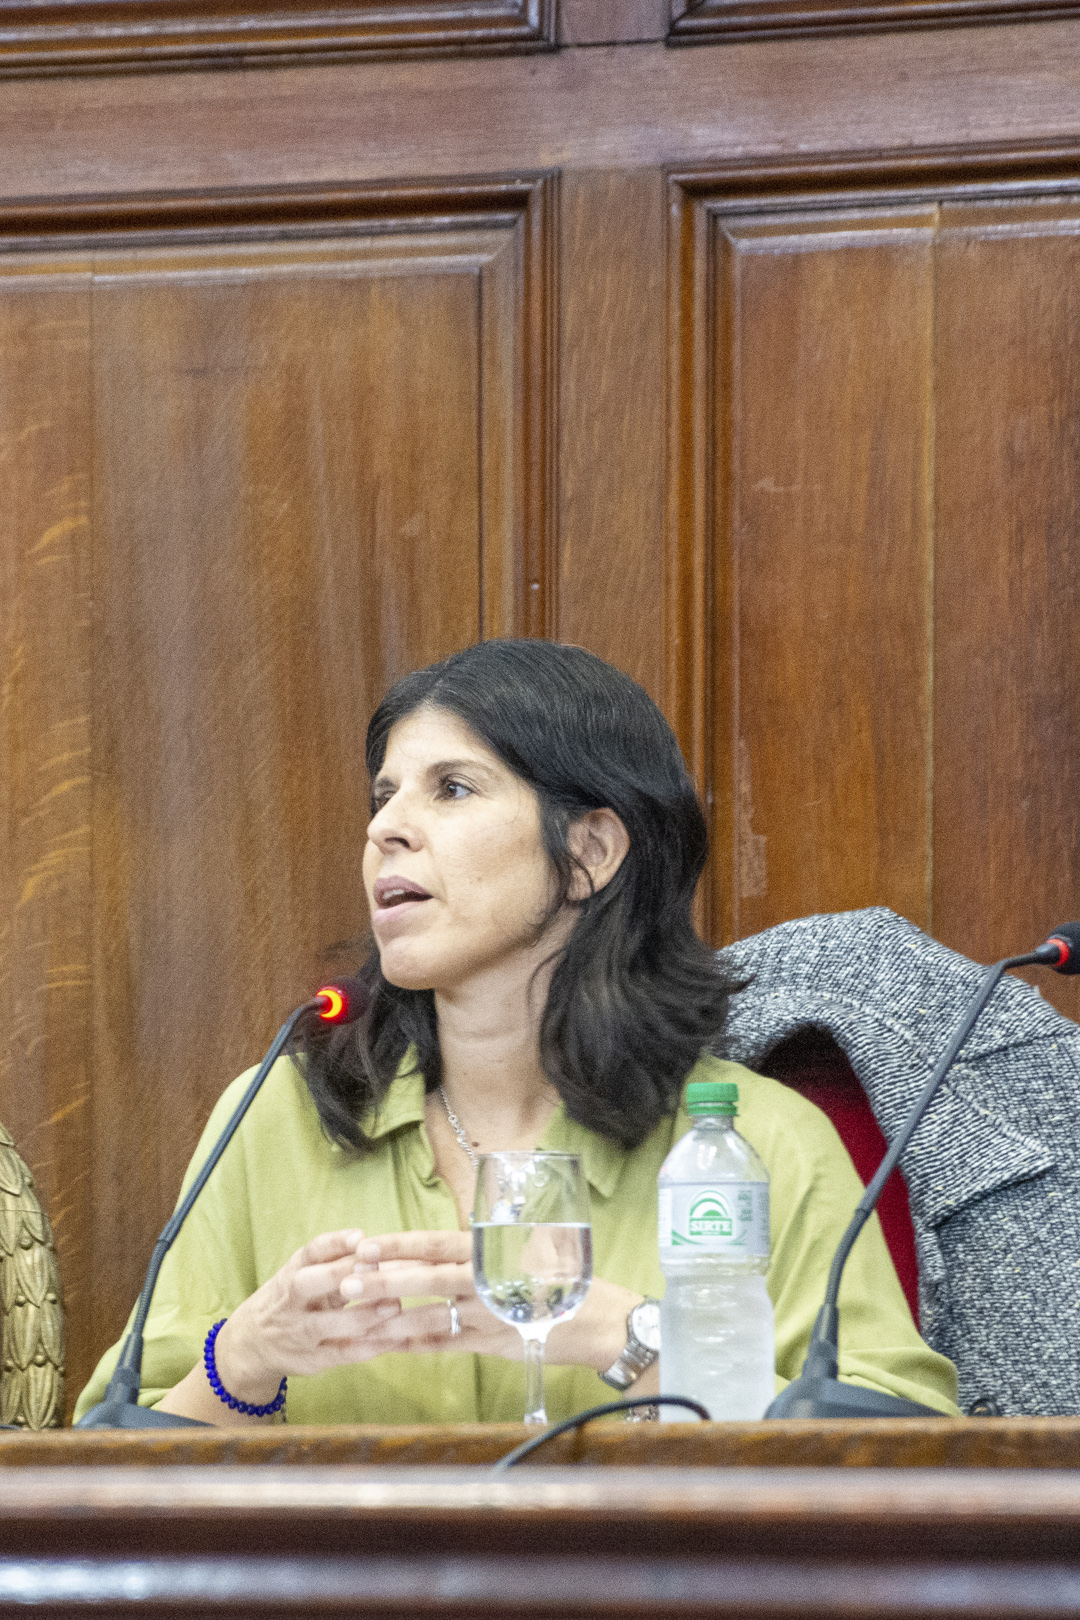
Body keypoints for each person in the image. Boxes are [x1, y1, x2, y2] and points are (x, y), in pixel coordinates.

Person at [76, 640, 958, 1425]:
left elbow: (899, 1466)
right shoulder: (277, 1116)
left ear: (590, 853)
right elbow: (112, 1464)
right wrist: (247, 1356)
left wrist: (631, 1338)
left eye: (452, 789)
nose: (385, 828)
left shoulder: (759, 1143)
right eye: (383, 796)